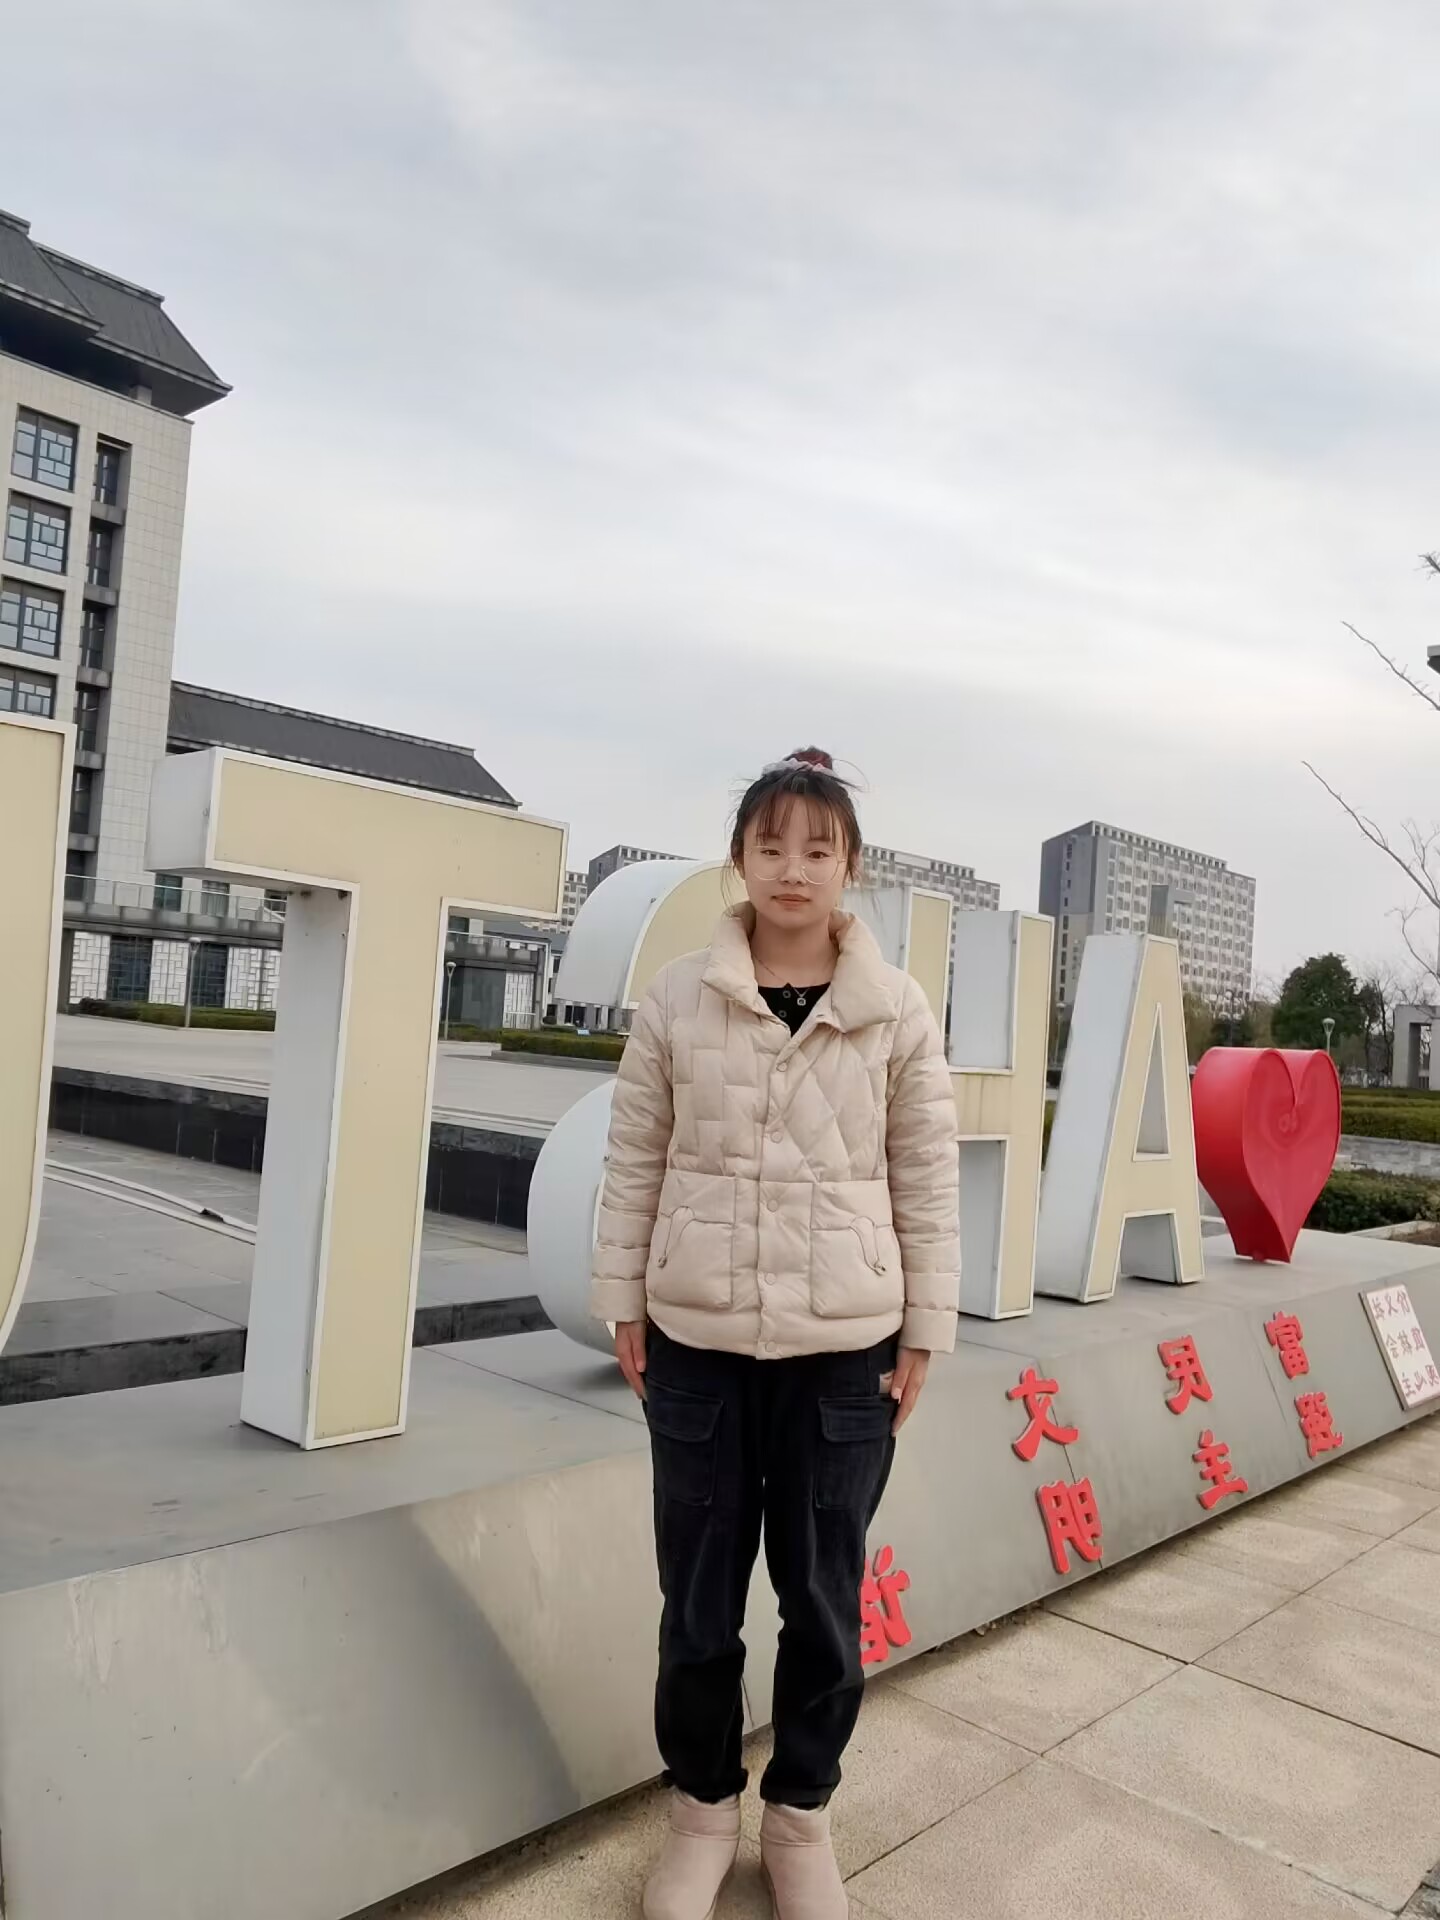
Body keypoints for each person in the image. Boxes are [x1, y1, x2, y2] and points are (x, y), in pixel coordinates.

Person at [590, 748, 961, 1920]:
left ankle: (801, 1816)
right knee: (698, 1601)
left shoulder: (895, 1009)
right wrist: (623, 1296)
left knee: (823, 1599)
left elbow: (927, 1175)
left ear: (852, 868)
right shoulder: (676, 998)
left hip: (846, 1350)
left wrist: (926, 1325)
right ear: (738, 858)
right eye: (771, 844)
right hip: (697, 1341)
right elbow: (635, 1155)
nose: (793, 867)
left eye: (818, 848)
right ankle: (702, 1811)